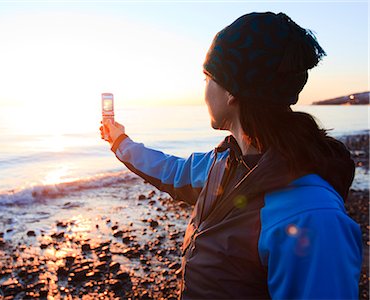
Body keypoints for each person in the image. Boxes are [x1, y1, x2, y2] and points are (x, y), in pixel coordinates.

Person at [100, 12, 362, 299]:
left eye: (207, 77)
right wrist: (120, 142)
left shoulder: (311, 214)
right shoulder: (226, 161)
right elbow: (173, 172)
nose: (204, 91)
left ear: (232, 92)